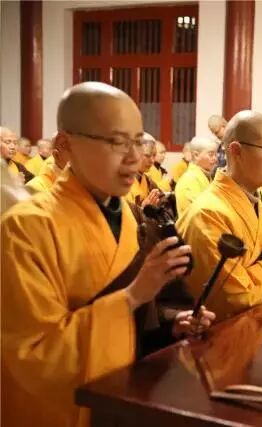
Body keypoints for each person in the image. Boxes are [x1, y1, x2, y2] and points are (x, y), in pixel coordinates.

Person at [1, 82, 215, 427]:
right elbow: (34, 355)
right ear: (65, 145)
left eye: (137, 141)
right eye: (116, 142)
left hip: (121, 394)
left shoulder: (127, 215)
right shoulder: (26, 227)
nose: (134, 158)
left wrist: (169, 325)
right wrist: (131, 297)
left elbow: (131, 317)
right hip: (64, 410)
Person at [177, 110, 262, 319]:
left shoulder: (256, 203)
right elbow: (233, 297)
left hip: (260, 322)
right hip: (222, 333)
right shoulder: (208, 213)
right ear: (236, 151)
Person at [175, 136, 218, 216]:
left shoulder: (206, 176)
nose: (215, 159)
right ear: (196, 155)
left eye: (216, 154)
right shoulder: (189, 179)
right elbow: (201, 212)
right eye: (211, 154)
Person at [125, 136, 164, 208]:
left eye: (154, 155)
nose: (152, 161)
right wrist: (143, 208)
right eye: (147, 155)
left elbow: (162, 198)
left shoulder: (148, 181)